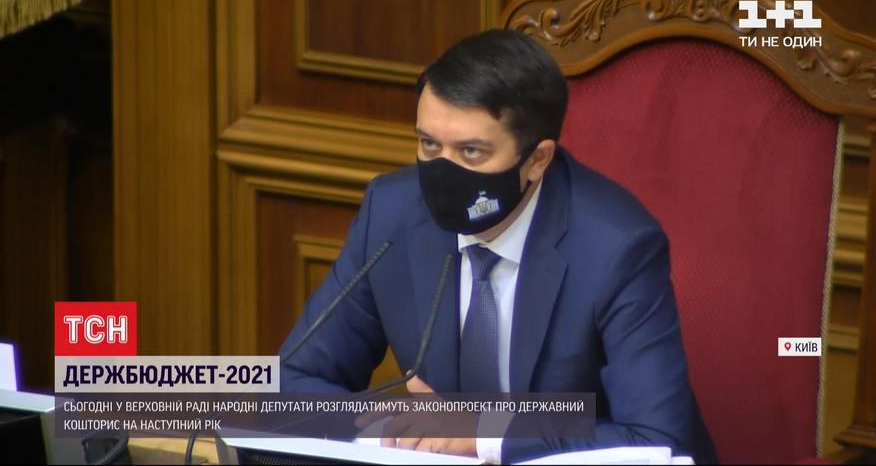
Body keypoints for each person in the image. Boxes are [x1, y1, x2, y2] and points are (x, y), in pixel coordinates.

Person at [279, 29, 717, 464]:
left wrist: (484, 433)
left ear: (537, 160)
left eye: (471, 152)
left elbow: (655, 440)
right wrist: (389, 427)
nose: (443, 173)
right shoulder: (393, 215)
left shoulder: (615, 248)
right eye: (429, 144)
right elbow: (290, 379)